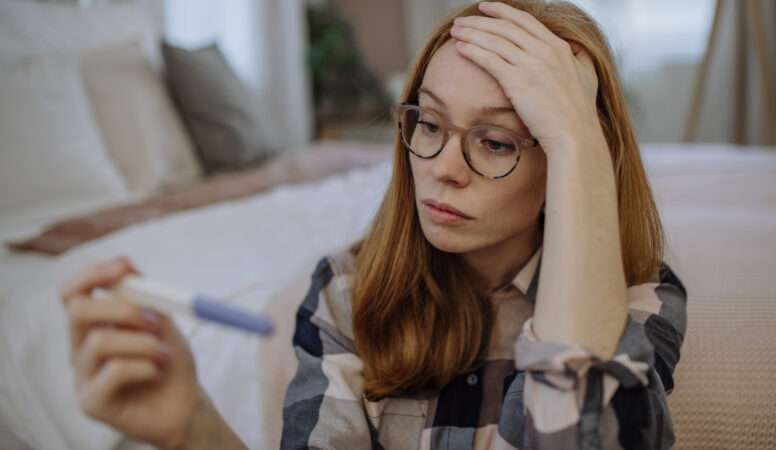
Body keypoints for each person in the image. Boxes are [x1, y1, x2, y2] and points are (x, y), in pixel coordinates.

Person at [59, 1, 688, 449]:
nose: (443, 169)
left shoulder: (638, 297)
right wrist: (191, 426)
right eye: (431, 124)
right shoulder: (345, 292)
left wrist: (579, 138)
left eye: (495, 142)